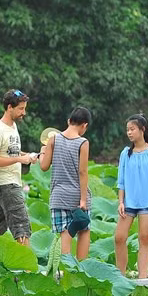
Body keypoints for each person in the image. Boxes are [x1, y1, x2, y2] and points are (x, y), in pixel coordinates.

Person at [114, 114, 148, 279]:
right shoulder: (125, 153)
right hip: (129, 202)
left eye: (132, 129)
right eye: (127, 130)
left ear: (142, 130)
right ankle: (120, 275)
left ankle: (142, 278)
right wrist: (120, 201)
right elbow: (121, 181)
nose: (129, 133)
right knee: (119, 237)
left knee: (144, 239)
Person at [39, 107, 92, 260]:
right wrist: (83, 199)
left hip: (58, 196)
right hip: (77, 195)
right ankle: (81, 270)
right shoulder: (83, 142)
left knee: (64, 232)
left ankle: (66, 271)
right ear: (84, 125)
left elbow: (43, 166)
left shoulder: (53, 139)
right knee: (84, 230)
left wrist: (43, 151)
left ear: (69, 121)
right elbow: (82, 172)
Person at [0, 89, 38, 246]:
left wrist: (27, 156)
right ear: (9, 107)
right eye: (21, 109)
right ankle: (28, 270)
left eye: (24, 108)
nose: (24, 112)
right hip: (5, 183)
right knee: (21, 226)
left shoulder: (13, 127)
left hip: (13, 181)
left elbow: (11, 152)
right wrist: (19, 159)